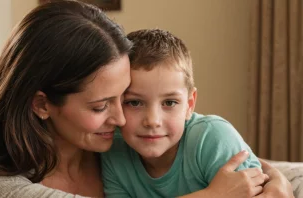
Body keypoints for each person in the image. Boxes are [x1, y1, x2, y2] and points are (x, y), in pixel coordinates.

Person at [0, 1, 294, 198]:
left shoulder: (116, 144)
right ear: (41, 104)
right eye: (100, 106)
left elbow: (225, 160)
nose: (121, 118)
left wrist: (276, 181)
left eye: (123, 99)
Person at [100, 29, 288, 198]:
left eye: (169, 102)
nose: (153, 121)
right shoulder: (114, 151)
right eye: (134, 102)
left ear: (190, 104)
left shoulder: (212, 138)